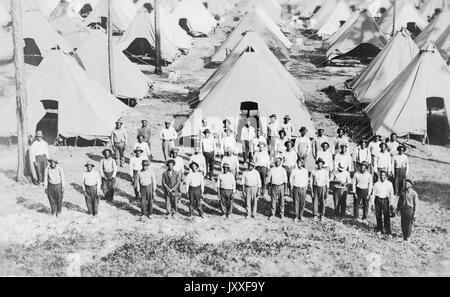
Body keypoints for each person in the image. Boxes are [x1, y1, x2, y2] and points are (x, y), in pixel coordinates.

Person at [371, 170, 395, 235]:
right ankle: (379, 229)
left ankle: (387, 231)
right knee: (378, 215)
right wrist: (372, 203)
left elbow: (391, 194)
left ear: (386, 176)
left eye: (384, 175)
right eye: (381, 175)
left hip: (385, 200)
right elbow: (373, 194)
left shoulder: (389, 184)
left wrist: (391, 203)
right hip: (378, 200)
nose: (382, 177)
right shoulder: (376, 184)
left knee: (386, 215)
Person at [267, 156, 288, 220]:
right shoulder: (272, 169)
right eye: (276, 161)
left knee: (281, 202)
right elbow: (269, 181)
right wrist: (269, 189)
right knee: (273, 201)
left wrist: (285, 189)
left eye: (279, 161)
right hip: (273, 186)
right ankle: (272, 214)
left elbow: (285, 181)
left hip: (281, 186)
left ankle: (282, 214)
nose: (277, 162)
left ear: (281, 162)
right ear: (275, 162)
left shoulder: (283, 170)